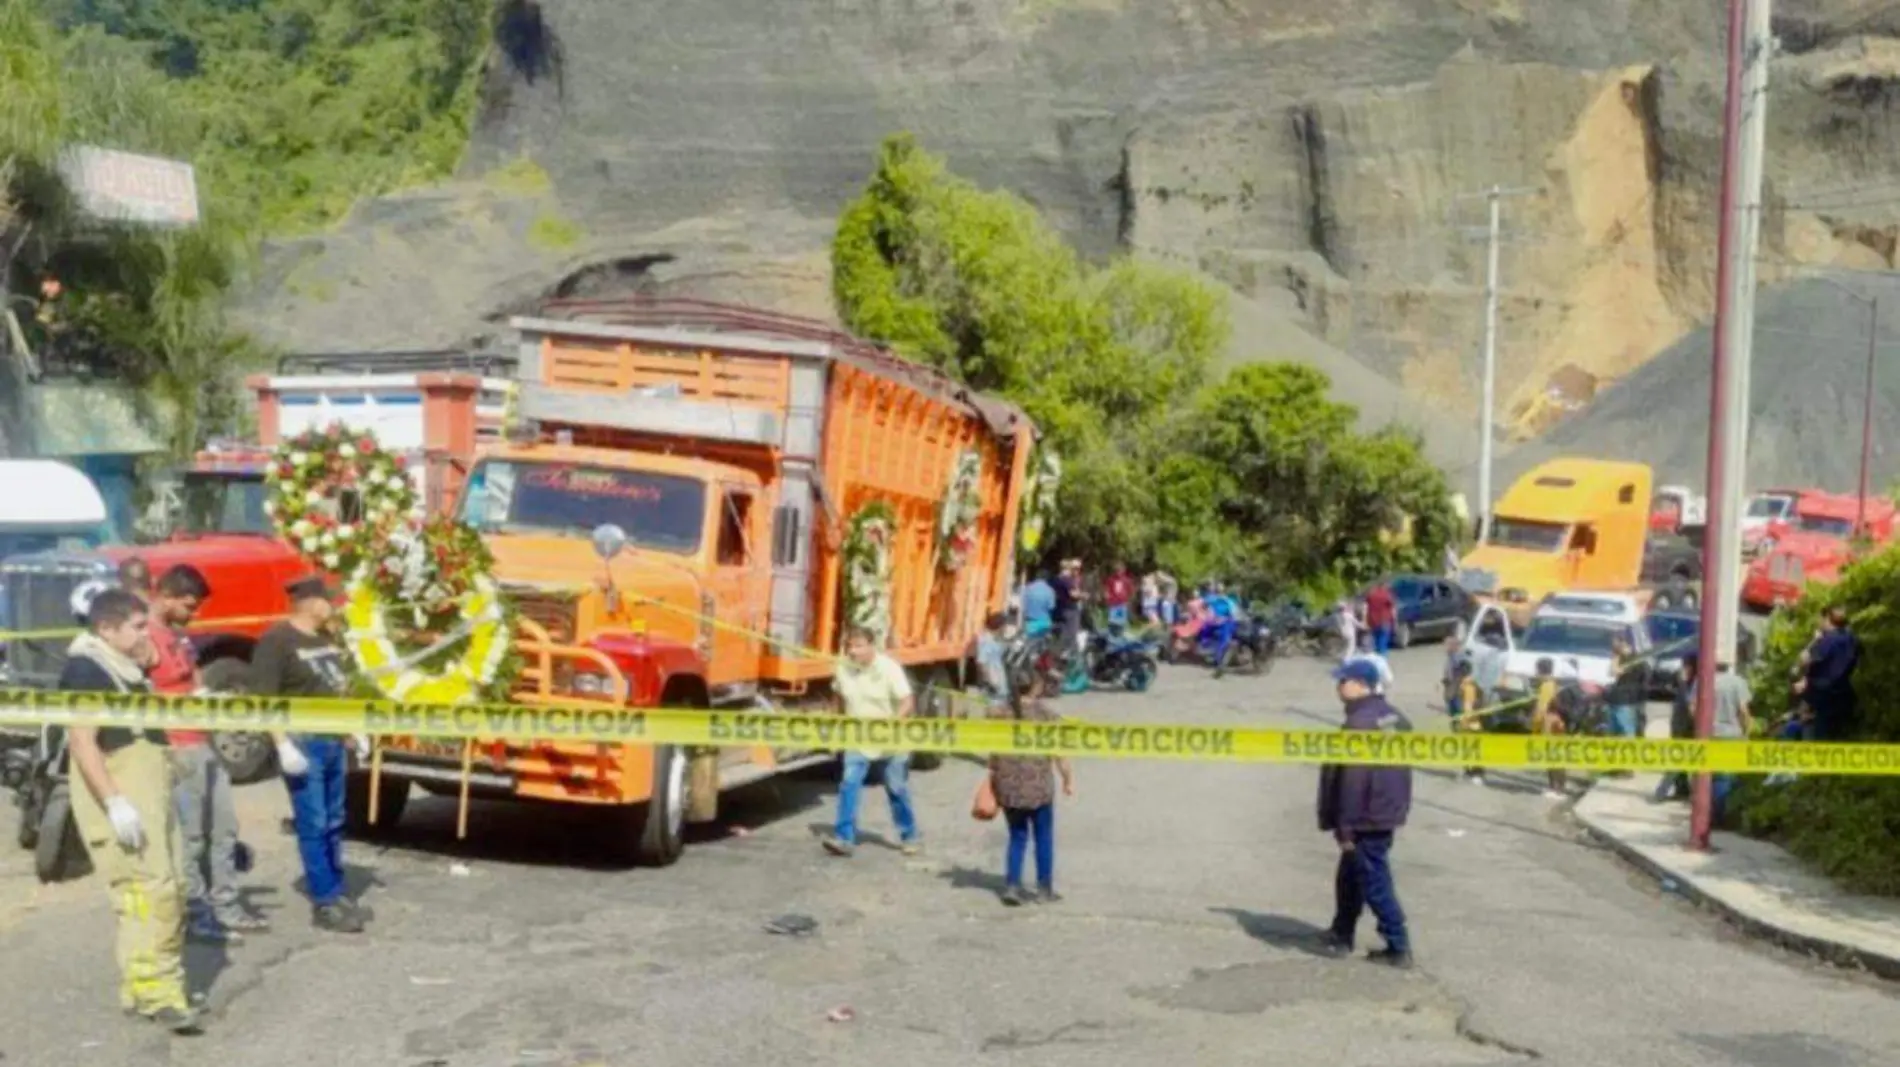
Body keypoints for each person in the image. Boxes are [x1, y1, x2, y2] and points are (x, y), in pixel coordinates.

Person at [59, 589, 200, 1034]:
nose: (147, 633)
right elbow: (83, 740)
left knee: (167, 886)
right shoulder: (86, 669)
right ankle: (158, 993)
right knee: (149, 892)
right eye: (137, 627)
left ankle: (143, 987)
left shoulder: (125, 666)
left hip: (149, 791)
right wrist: (115, 803)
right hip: (122, 792)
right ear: (106, 628)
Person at [151, 566, 266, 942]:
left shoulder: (177, 636)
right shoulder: (145, 639)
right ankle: (196, 913)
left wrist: (202, 695)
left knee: (224, 829)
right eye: (188, 605)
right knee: (191, 837)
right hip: (177, 746)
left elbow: (194, 675)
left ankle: (227, 905)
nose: (193, 613)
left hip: (202, 741)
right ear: (166, 596)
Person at [252, 575, 365, 934]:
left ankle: (334, 885)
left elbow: (338, 689)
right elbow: (263, 699)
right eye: (330, 601)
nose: (334, 607)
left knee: (334, 819)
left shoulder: (327, 639)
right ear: (313, 603)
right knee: (313, 822)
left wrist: (354, 729)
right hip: (302, 743)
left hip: (332, 740)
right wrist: (281, 744)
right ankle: (325, 901)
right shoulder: (277, 641)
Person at [1316, 659, 1414, 968]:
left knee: (1373, 879)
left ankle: (1397, 944)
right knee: (1350, 876)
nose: (1338, 687)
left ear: (1360, 684)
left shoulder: (1360, 724)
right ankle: (1341, 932)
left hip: (1364, 816)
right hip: (1384, 810)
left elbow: (1354, 779)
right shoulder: (1394, 718)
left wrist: (1345, 826)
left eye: (1343, 680)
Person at [824, 626, 922, 857]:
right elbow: (838, 697)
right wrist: (836, 725)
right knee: (849, 784)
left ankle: (909, 836)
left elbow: (907, 701)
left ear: (871, 646)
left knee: (896, 789)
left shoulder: (889, 668)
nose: (853, 651)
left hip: (891, 743)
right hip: (858, 739)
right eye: (850, 646)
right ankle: (844, 837)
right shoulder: (843, 667)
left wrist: (893, 723)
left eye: (858, 646)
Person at [989, 664, 1074, 906]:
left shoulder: (999, 714)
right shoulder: (1045, 714)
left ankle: (1012, 886)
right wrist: (1067, 778)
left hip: (1008, 786)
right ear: (1036, 687)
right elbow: (1059, 752)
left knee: (1017, 836)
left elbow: (992, 754)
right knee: (1043, 837)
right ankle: (1044, 888)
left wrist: (993, 776)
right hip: (1038, 787)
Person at [1796, 607, 1860, 740]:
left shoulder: (1827, 641)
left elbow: (1807, 660)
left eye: (1821, 619)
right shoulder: (1851, 639)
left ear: (1827, 620)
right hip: (1844, 694)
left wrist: (1814, 642)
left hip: (1821, 698)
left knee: (1816, 736)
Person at [1708, 660, 1754, 822]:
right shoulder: (1738, 682)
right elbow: (1743, 710)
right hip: (1732, 735)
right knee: (1728, 777)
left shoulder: (1704, 680)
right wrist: (1747, 731)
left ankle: (1711, 813)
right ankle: (1724, 815)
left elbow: (1693, 708)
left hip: (1710, 734)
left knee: (1711, 776)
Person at [1653, 654, 1698, 803]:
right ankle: (1682, 789)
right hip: (1679, 725)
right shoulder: (1685, 683)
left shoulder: (1693, 684)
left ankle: (1661, 792)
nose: (1682, 669)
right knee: (1680, 762)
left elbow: (1689, 703)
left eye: (1685, 665)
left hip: (1687, 727)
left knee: (1677, 760)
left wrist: (1683, 682)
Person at [1530, 657, 1566, 798]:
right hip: (1558, 724)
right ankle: (1556, 787)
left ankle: (1556, 789)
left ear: (1540, 670)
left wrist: (1536, 726)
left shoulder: (1546, 686)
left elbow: (1542, 709)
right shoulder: (1554, 683)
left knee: (1554, 757)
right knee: (1555, 756)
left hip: (1550, 725)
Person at [1605, 634, 1644, 739]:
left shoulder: (1631, 659)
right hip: (1616, 700)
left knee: (1628, 732)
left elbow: (1614, 671)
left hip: (1626, 701)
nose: (1613, 647)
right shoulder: (1623, 657)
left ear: (1624, 643)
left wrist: (1615, 656)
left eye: (1615, 643)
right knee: (1612, 733)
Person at [974, 611, 1012, 704]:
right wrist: (989, 681)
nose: (1006, 628)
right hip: (993, 683)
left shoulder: (994, 639)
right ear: (1000, 626)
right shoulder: (986, 640)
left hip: (998, 681)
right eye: (1005, 626)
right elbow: (981, 662)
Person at [1364, 582, 1396, 655]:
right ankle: (1382, 660)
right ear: (1385, 586)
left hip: (1373, 621)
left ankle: (1376, 658)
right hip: (1384, 620)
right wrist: (1394, 621)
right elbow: (1392, 608)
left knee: (1376, 641)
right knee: (1383, 642)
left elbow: (1365, 608)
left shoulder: (1370, 595)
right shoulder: (1387, 595)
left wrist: (1366, 621)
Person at [1103, 563, 1134, 628]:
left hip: (1122, 603)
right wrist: (1107, 597)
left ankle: (1120, 634)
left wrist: (1128, 601)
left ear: (1123, 571)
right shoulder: (1111, 579)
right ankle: (1112, 635)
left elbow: (1131, 591)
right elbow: (1107, 590)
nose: (1118, 572)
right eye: (1117, 570)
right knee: (1113, 622)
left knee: (1120, 622)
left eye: (1120, 570)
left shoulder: (1126, 580)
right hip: (1113, 603)